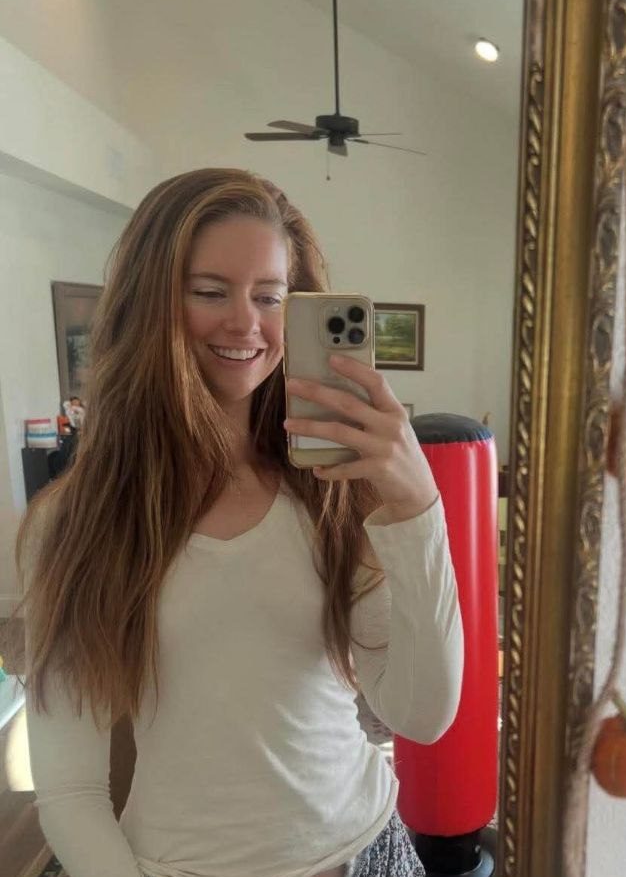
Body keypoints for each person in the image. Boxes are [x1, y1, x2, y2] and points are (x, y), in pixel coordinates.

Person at [13, 168, 464, 877]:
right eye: (209, 291)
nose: (246, 323)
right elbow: (70, 791)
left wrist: (418, 509)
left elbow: (423, 713)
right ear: (151, 302)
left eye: (270, 296)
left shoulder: (334, 492)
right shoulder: (77, 523)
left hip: (369, 854)